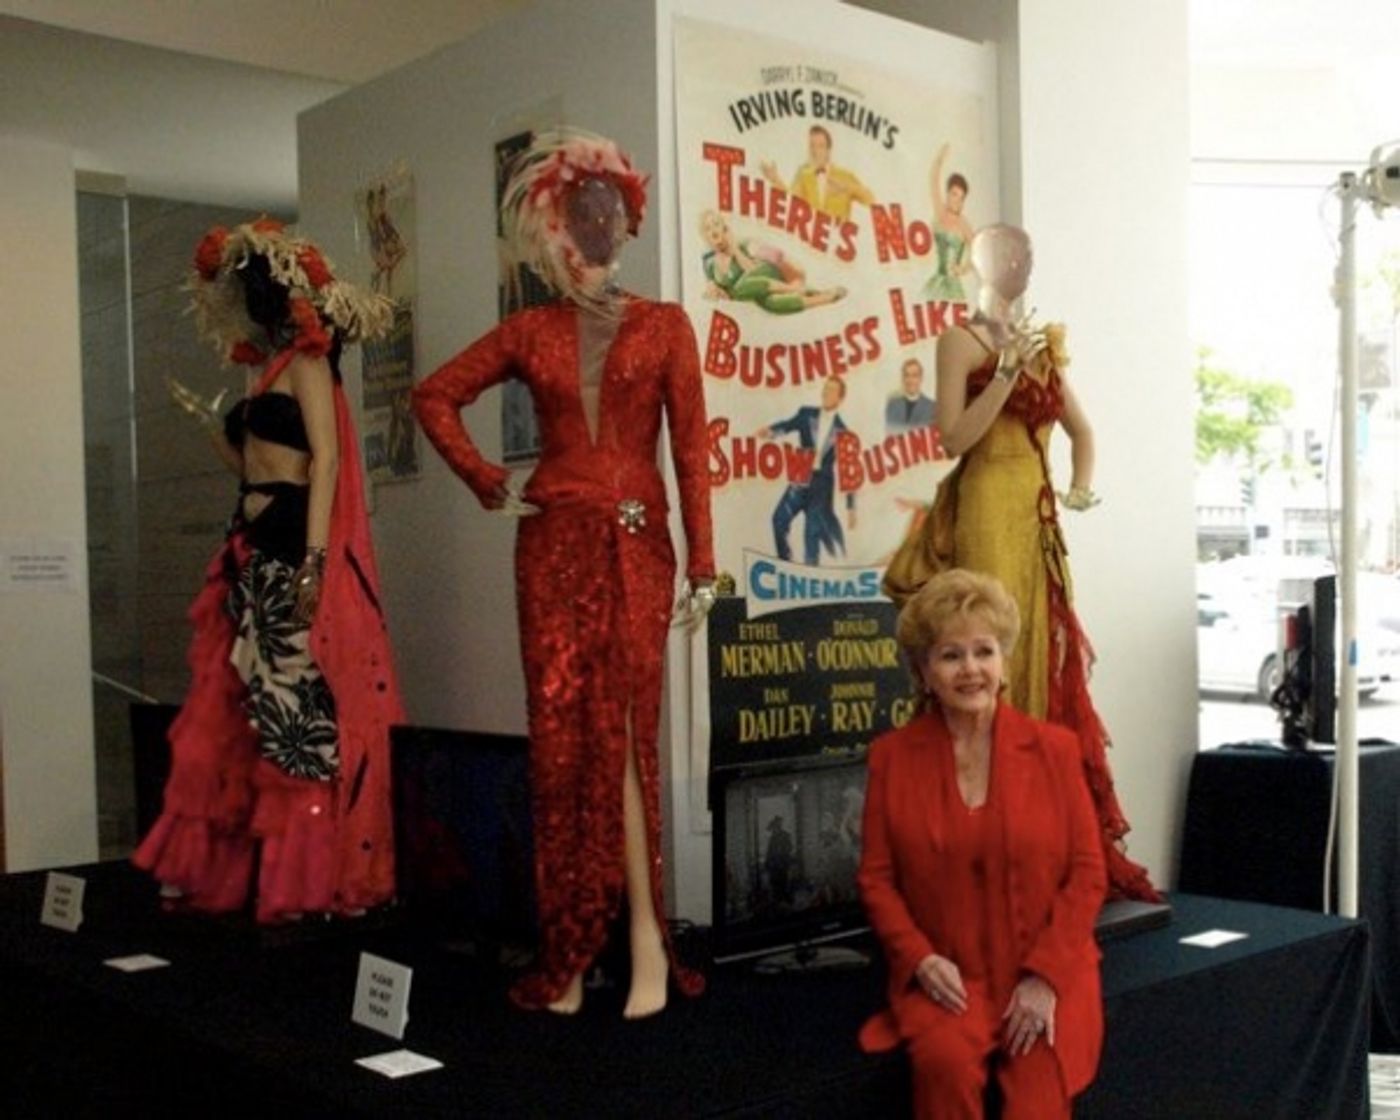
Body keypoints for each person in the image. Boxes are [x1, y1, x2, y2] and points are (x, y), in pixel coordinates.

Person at [412, 128, 715, 1019]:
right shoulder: (529, 328)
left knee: (624, 737)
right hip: (552, 550)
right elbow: (433, 395)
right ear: (555, 221)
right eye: (581, 213)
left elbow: (691, 451)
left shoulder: (665, 326)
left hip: (637, 550)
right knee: (559, 742)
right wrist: (487, 481)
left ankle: (645, 942)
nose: (596, 228)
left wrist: (703, 562)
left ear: (628, 223)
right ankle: (572, 948)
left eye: (611, 214)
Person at [134, 218, 402, 923]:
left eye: (258, 291)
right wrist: (208, 426)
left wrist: (314, 562)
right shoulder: (269, 369)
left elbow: (328, 462)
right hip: (250, 544)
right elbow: (254, 462)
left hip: (288, 543)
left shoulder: (311, 364)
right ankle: (258, 872)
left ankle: (308, 880)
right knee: (247, 706)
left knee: (292, 710)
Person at [883, 223, 1157, 903]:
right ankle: (981, 836)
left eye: (1024, 255)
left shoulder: (1044, 345)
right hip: (985, 502)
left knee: (1038, 657)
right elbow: (953, 438)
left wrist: (1080, 484)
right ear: (976, 265)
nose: (1016, 265)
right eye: (1004, 254)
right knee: (984, 653)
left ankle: (1032, 837)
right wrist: (1003, 376)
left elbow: (1082, 430)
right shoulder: (959, 342)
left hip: (1037, 514)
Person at [859, 569, 1106, 1119]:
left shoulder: (1055, 750)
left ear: (1004, 662)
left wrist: (1045, 978)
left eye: (983, 651)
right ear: (924, 672)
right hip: (948, 981)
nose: (970, 669)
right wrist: (920, 960)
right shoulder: (891, 758)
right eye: (950, 655)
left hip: (1043, 973)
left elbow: (1089, 872)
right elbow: (876, 879)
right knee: (943, 1069)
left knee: (1037, 1105)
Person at [760, 375, 856, 565]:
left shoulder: (844, 432)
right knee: (779, 519)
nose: (826, 393)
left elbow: (849, 471)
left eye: (831, 391)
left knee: (811, 536)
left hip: (821, 488)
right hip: (800, 477)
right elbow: (787, 425)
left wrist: (851, 506)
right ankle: (785, 562)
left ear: (840, 398)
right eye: (825, 389)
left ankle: (809, 579)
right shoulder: (806, 414)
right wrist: (770, 431)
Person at [700, 209, 846, 315]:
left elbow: (753, 270)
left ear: (724, 227)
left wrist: (735, 249)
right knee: (771, 303)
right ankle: (825, 297)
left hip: (769, 275)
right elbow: (712, 289)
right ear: (704, 235)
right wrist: (716, 291)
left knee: (740, 288)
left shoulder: (744, 244)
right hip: (759, 293)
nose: (713, 230)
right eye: (708, 228)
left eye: (716, 224)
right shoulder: (709, 263)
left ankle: (799, 290)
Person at [761, 124, 875, 222]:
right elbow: (791, 200)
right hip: (810, 244)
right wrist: (775, 179)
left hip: (839, 243)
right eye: (812, 146)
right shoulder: (803, 175)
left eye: (820, 146)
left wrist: (846, 187)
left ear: (828, 151)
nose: (815, 151)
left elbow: (870, 200)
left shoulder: (844, 175)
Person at [924, 143, 975, 301]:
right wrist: (940, 159)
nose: (957, 201)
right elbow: (933, 181)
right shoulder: (940, 212)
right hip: (937, 281)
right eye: (954, 194)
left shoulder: (963, 223)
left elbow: (978, 251)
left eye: (961, 197)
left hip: (953, 286)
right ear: (947, 194)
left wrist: (963, 269)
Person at [886, 357, 937, 433]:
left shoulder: (932, 407)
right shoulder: (892, 405)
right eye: (907, 375)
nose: (910, 380)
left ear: (921, 378)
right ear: (903, 378)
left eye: (914, 376)